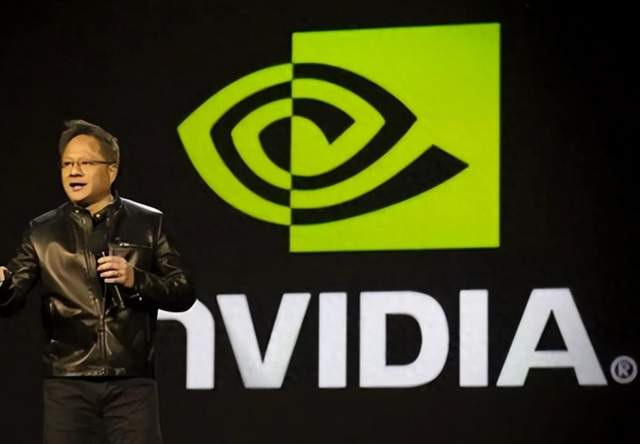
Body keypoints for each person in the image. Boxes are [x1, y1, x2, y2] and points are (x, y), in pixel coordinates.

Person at [0, 119, 195, 443]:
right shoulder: (42, 231)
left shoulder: (148, 223)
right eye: (67, 164)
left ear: (112, 170)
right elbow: (12, 297)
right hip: (68, 381)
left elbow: (183, 291)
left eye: (85, 163)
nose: (73, 172)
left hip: (131, 382)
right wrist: (2, 287)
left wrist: (137, 279)